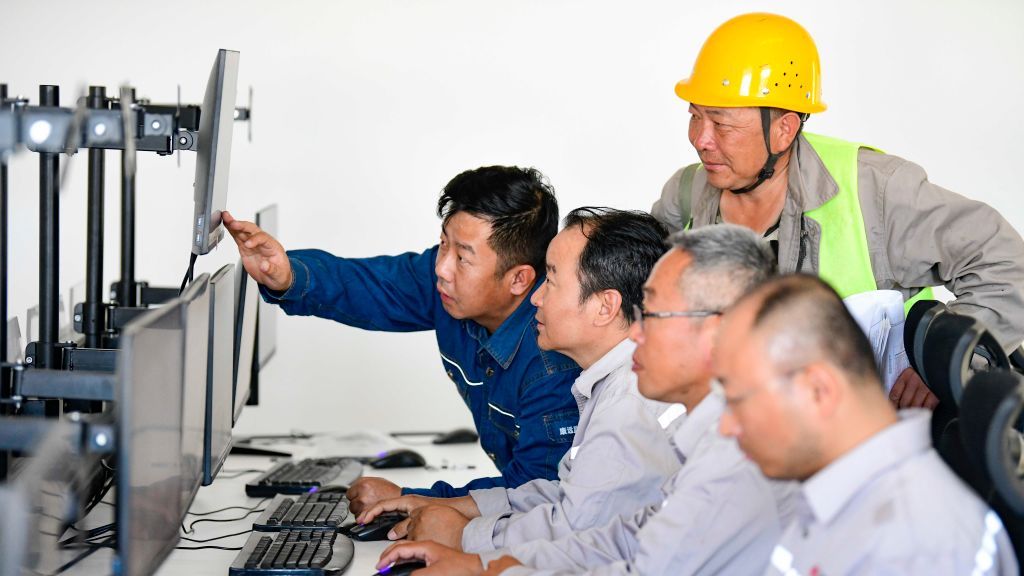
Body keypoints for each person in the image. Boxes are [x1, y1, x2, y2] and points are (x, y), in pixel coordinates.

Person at [650, 12, 1024, 411]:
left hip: (885, 432)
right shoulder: (686, 194)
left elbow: (1006, 264)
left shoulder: (876, 190)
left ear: (784, 129)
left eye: (721, 125)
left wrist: (946, 364)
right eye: (695, 117)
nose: (701, 140)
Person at [373, 225, 794, 576]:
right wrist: (483, 562)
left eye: (655, 315)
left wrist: (477, 551)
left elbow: (609, 545)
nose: (637, 332)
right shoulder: (703, 436)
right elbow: (623, 535)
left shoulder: (646, 411)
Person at [222, 165, 581, 509]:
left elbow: (536, 495)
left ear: (519, 279)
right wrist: (287, 275)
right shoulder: (450, 288)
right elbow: (372, 285)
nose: (441, 268)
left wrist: (410, 498)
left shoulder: (552, 363)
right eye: (443, 245)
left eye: (463, 257)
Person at [355, 208, 685, 551]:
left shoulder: (630, 405)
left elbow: (576, 533)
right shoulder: (616, 383)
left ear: (605, 306)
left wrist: (463, 536)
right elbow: (564, 494)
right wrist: (447, 505)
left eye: (552, 281)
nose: (536, 298)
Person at [715, 274, 1019, 575]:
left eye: (739, 401)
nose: (727, 427)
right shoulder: (842, 498)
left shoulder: (914, 551)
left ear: (819, 390)